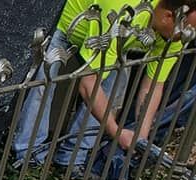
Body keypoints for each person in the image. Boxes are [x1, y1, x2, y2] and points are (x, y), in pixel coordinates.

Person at [13, 0, 196, 171]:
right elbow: (87, 84)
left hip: (113, 44)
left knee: (111, 87)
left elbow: (153, 85)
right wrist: (116, 132)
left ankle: (71, 160)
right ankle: (29, 157)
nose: (188, 37)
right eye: (187, 30)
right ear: (168, 17)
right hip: (67, 29)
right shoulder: (123, 9)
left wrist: (141, 136)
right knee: (44, 85)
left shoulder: (176, 33)